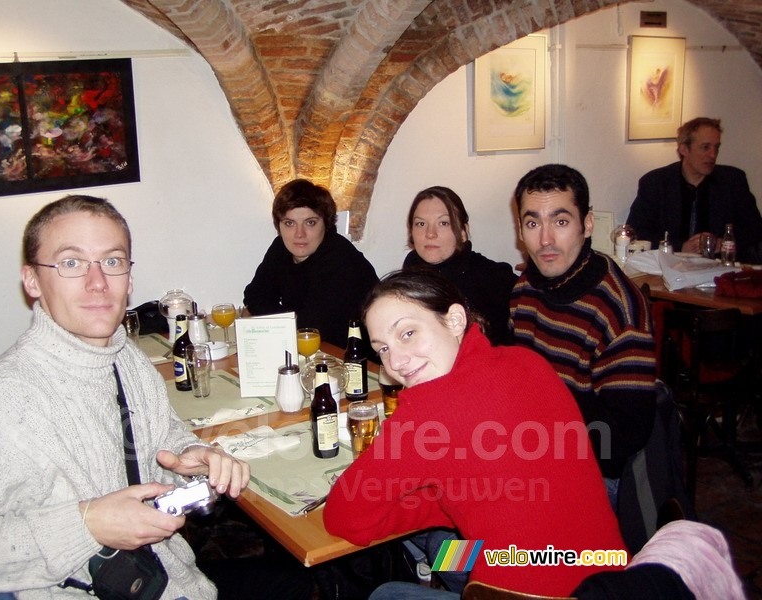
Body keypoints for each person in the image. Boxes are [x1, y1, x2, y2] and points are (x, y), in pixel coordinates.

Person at [0, 195, 313, 599]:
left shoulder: (126, 357)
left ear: (129, 279)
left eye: (112, 262)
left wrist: (192, 456)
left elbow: (164, 437)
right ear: (32, 280)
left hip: (173, 579)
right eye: (71, 263)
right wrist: (88, 523)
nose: (97, 282)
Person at [324, 269, 629, 598]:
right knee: (443, 549)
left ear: (455, 320)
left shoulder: (427, 411)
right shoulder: (528, 361)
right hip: (607, 577)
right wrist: (447, 496)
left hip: (526, 591)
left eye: (407, 333)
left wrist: (430, 500)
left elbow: (344, 518)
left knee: (386, 594)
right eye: (382, 349)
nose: (396, 361)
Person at [509, 164, 657, 506]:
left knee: (459, 548)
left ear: (587, 225)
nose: (545, 239)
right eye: (533, 223)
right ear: (520, 229)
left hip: (594, 479)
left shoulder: (617, 310)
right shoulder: (526, 288)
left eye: (560, 222)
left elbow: (623, 438)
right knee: (436, 514)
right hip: (534, 454)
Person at [243, 178, 379, 348]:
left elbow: (312, 328)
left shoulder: (342, 260)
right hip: (311, 351)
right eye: (289, 223)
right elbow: (254, 296)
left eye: (310, 223)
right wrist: (287, 318)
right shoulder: (281, 248)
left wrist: (272, 317)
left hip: (355, 360)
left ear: (326, 224)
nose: (299, 234)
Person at [626, 117, 762, 263]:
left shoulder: (732, 181)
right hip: (672, 267)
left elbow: (755, 231)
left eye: (716, 147)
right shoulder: (656, 183)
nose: (712, 154)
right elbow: (636, 232)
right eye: (705, 147)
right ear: (684, 149)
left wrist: (722, 243)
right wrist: (680, 247)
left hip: (720, 269)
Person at [402, 186, 517, 345]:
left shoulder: (491, 276)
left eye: (443, 223)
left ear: (463, 232)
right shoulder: (409, 274)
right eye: (421, 224)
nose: (430, 233)